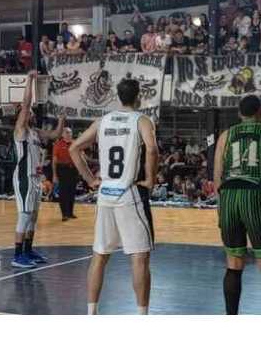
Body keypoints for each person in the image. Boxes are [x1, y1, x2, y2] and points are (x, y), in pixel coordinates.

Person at [69, 78, 158, 316]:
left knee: (99, 255)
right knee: (139, 257)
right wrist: (150, 179)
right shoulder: (142, 120)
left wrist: (90, 180)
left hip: (105, 194)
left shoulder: (102, 121)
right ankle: (141, 316)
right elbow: (151, 148)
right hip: (129, 194)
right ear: (138, 96)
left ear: (118, 97)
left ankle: (91, 313)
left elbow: (74, 148)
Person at [213, 95, 261, 315]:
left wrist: (223, 206)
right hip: (255, 196)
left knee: (233, 263)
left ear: (239, 113)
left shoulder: (225, 136)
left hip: (229, 197)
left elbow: (217, 178)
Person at [11, 71, 65, 268]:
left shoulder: (35, 132)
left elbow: (56, 134)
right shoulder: (21, 130)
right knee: (25, 215)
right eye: (28, 112)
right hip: (23, 178)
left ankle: (28, 250)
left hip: (34, 178)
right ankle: (17, 255)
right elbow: (26, 105)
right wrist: (30, 80)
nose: (31, 113)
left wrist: (62, 117)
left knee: (33, 216)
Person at [53, 128, 77, 221]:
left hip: (73, 170)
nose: (69, 134)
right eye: (67, 132)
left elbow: (81, 157)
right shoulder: (57, 144)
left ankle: (70, 213)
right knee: (63, 193)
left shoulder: (75, 143)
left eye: (70, 132)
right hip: (62, 169)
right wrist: (54, 175)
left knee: (72, 192)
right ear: (62, 134)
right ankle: (64, 214)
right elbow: (54, 161)